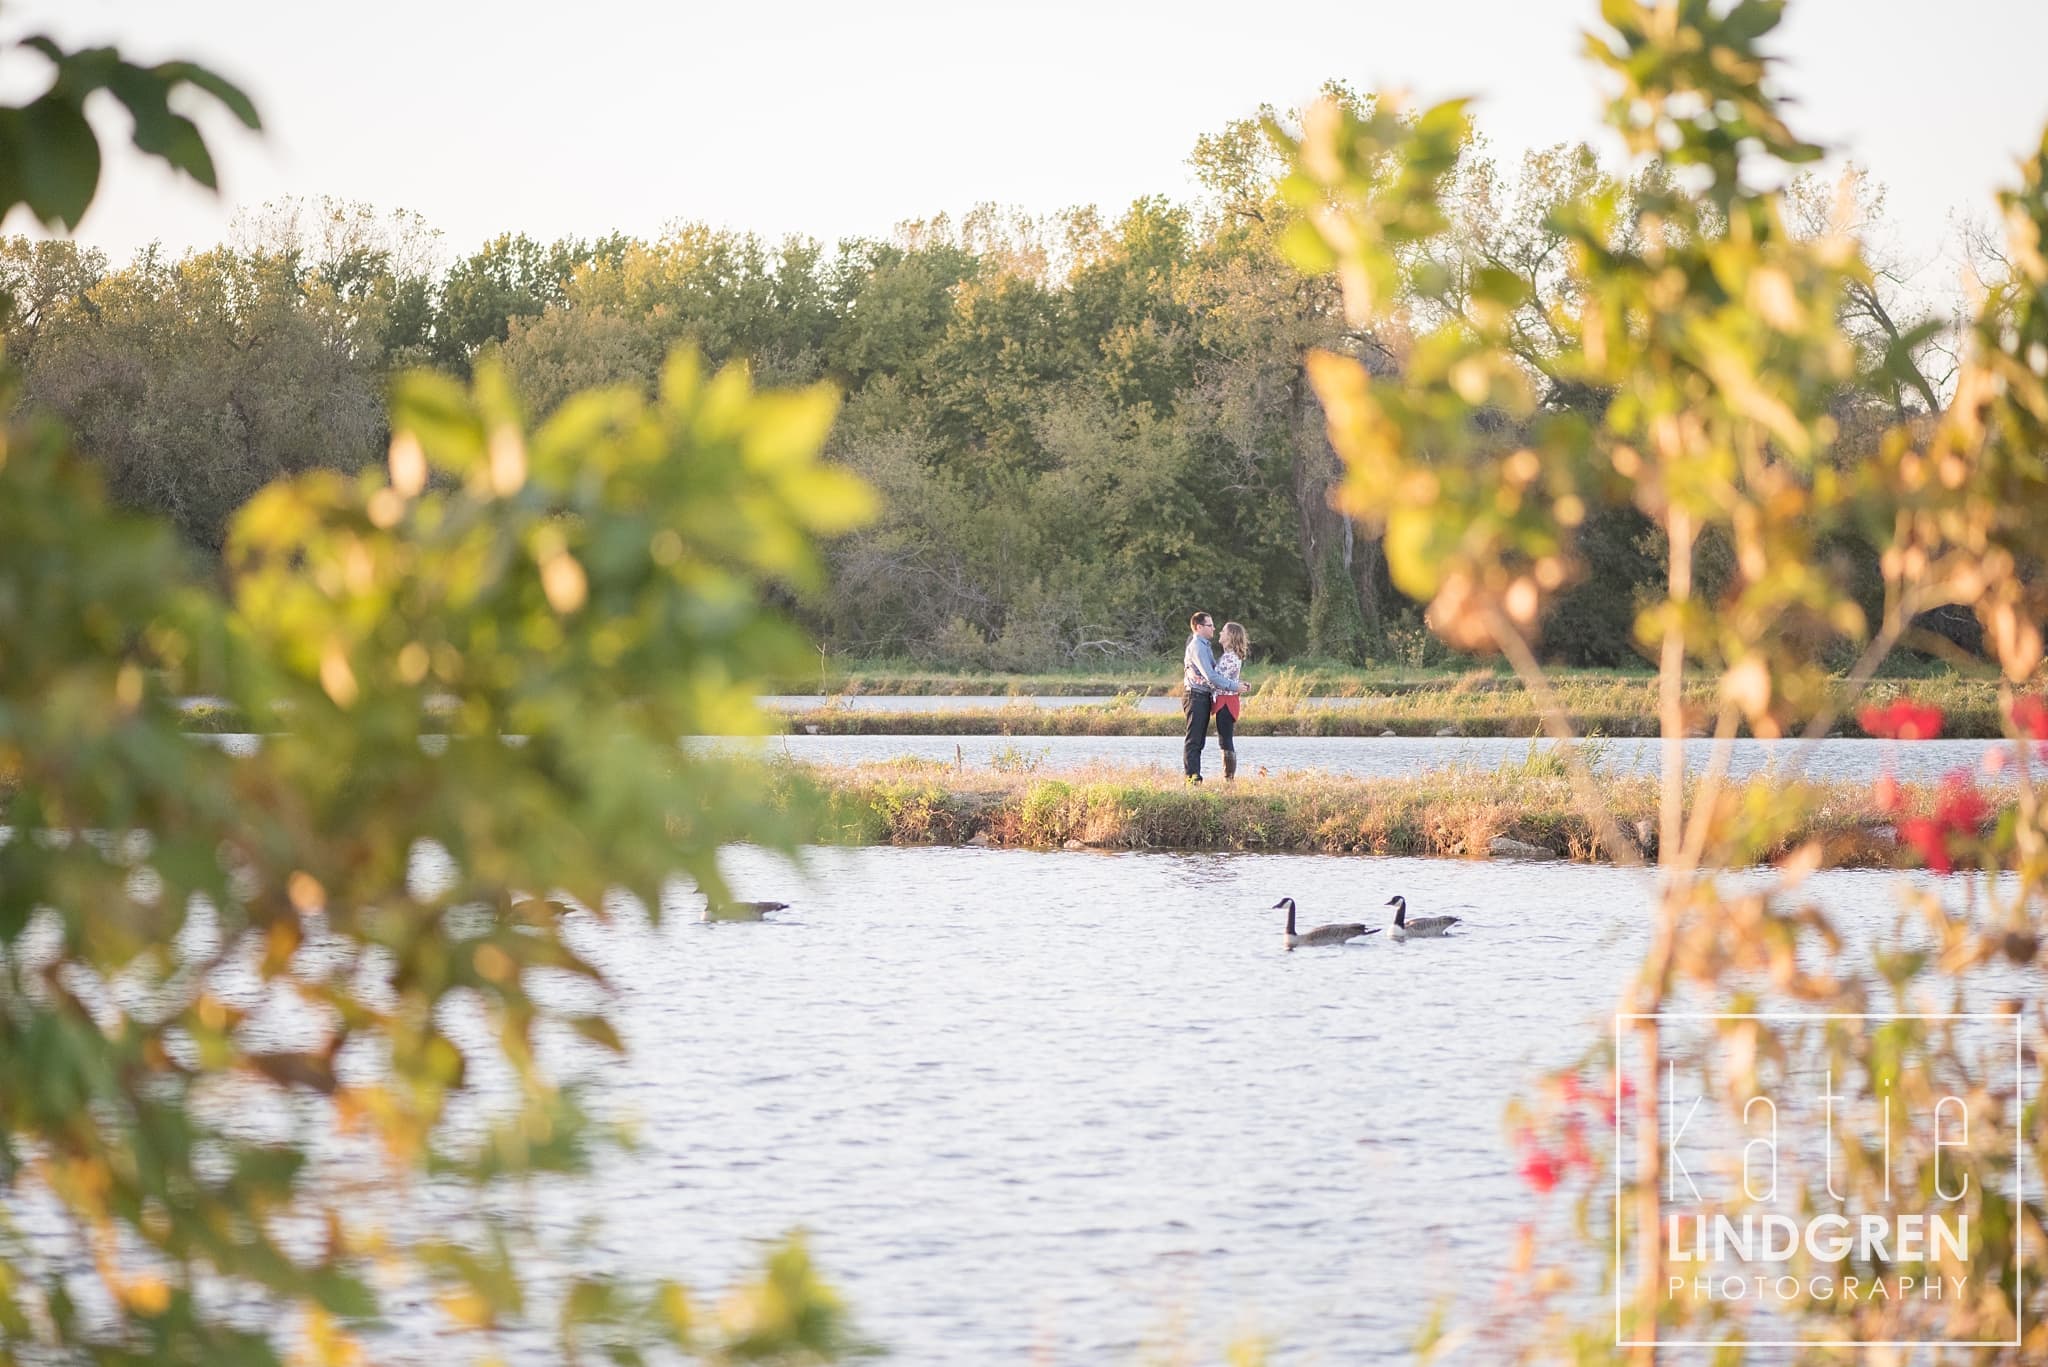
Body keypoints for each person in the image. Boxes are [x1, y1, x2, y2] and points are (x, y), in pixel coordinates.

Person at [1180, 611, 1240, 782]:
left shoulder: (1204, 645)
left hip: (1203, 696)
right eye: (1210, 625)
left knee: (1199, 741)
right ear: (1199, 627)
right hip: (1195, 696)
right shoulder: (1198, 646)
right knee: (1194, 740)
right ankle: (1192, 779)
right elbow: (1211, 676)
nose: (1214, 628)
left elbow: (1213, 672)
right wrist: (1235, 686)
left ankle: (1195, 777)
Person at [1213, 621, 1249, 781]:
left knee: (1225, 738)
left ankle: (1229, 777)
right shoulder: (1230, 656)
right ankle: (1229, 776)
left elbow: (1218, 680)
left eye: (1223, 631)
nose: (1220, 633)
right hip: (1226, 700)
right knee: (1225, 737)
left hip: (1226, 701)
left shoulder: (1229, 658)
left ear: (1230, 636)